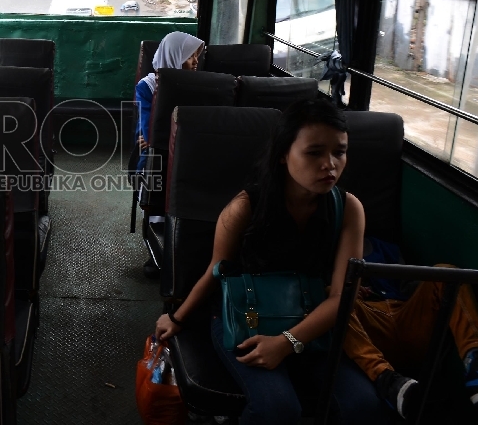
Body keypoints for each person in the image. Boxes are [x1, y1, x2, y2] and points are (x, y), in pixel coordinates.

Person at [154, 98, 390, 425]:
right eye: (314, 152)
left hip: (310, 319)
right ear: (283, 154)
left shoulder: (348, 209)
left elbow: (342, 297)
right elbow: (216, 269)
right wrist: (176, 318)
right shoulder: (245, 207)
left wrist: (286, 343)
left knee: (364, 405)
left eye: (340, 152)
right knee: (278, 409)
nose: (330, 164)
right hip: (244, 315)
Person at [343, 236, 478, 419]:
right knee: (336, 301)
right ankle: (387, 380)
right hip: (368, 323)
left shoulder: (384, 248)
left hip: (405, 312)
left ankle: (477, 361)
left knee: (447, 273)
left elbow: (407, 285)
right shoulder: (326, 251)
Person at [134, 32, 203, 279]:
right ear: (175, 55)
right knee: (156, 169)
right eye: (189, 56)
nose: (195, 61)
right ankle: (156, 248)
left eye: (197, 55)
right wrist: (153, 138)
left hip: (188, 151)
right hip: (156, 156)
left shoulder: (199, 84)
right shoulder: (149, 85)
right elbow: (147, 132)